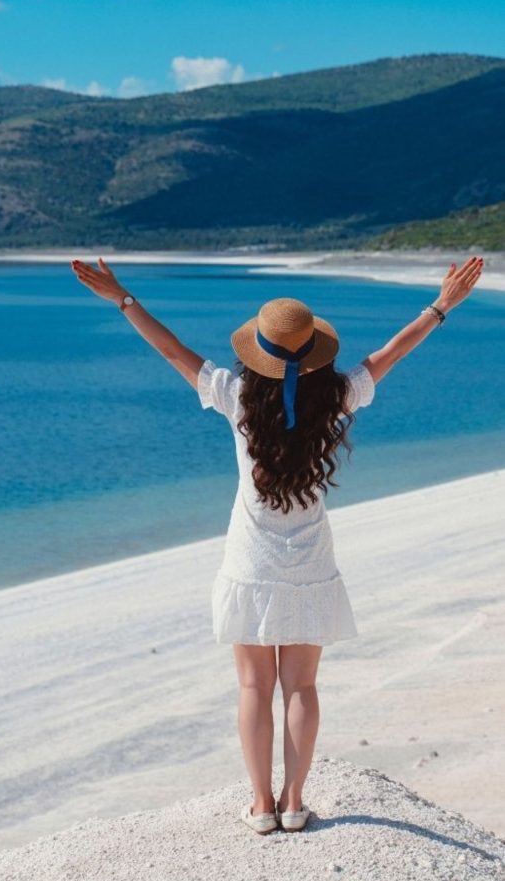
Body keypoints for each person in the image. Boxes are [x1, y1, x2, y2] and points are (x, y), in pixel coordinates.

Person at [70, 253, 484, 835]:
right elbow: (391, 353)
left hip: (250, 562)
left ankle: (261, 805)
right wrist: (442, 306)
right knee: (302, 686)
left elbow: (170, 350)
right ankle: (295, 802)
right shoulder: (337, 398)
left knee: (252, 686)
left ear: (256, 352)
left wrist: (122, 298)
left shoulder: (235, 396)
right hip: (311, 563)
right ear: (314, 351)